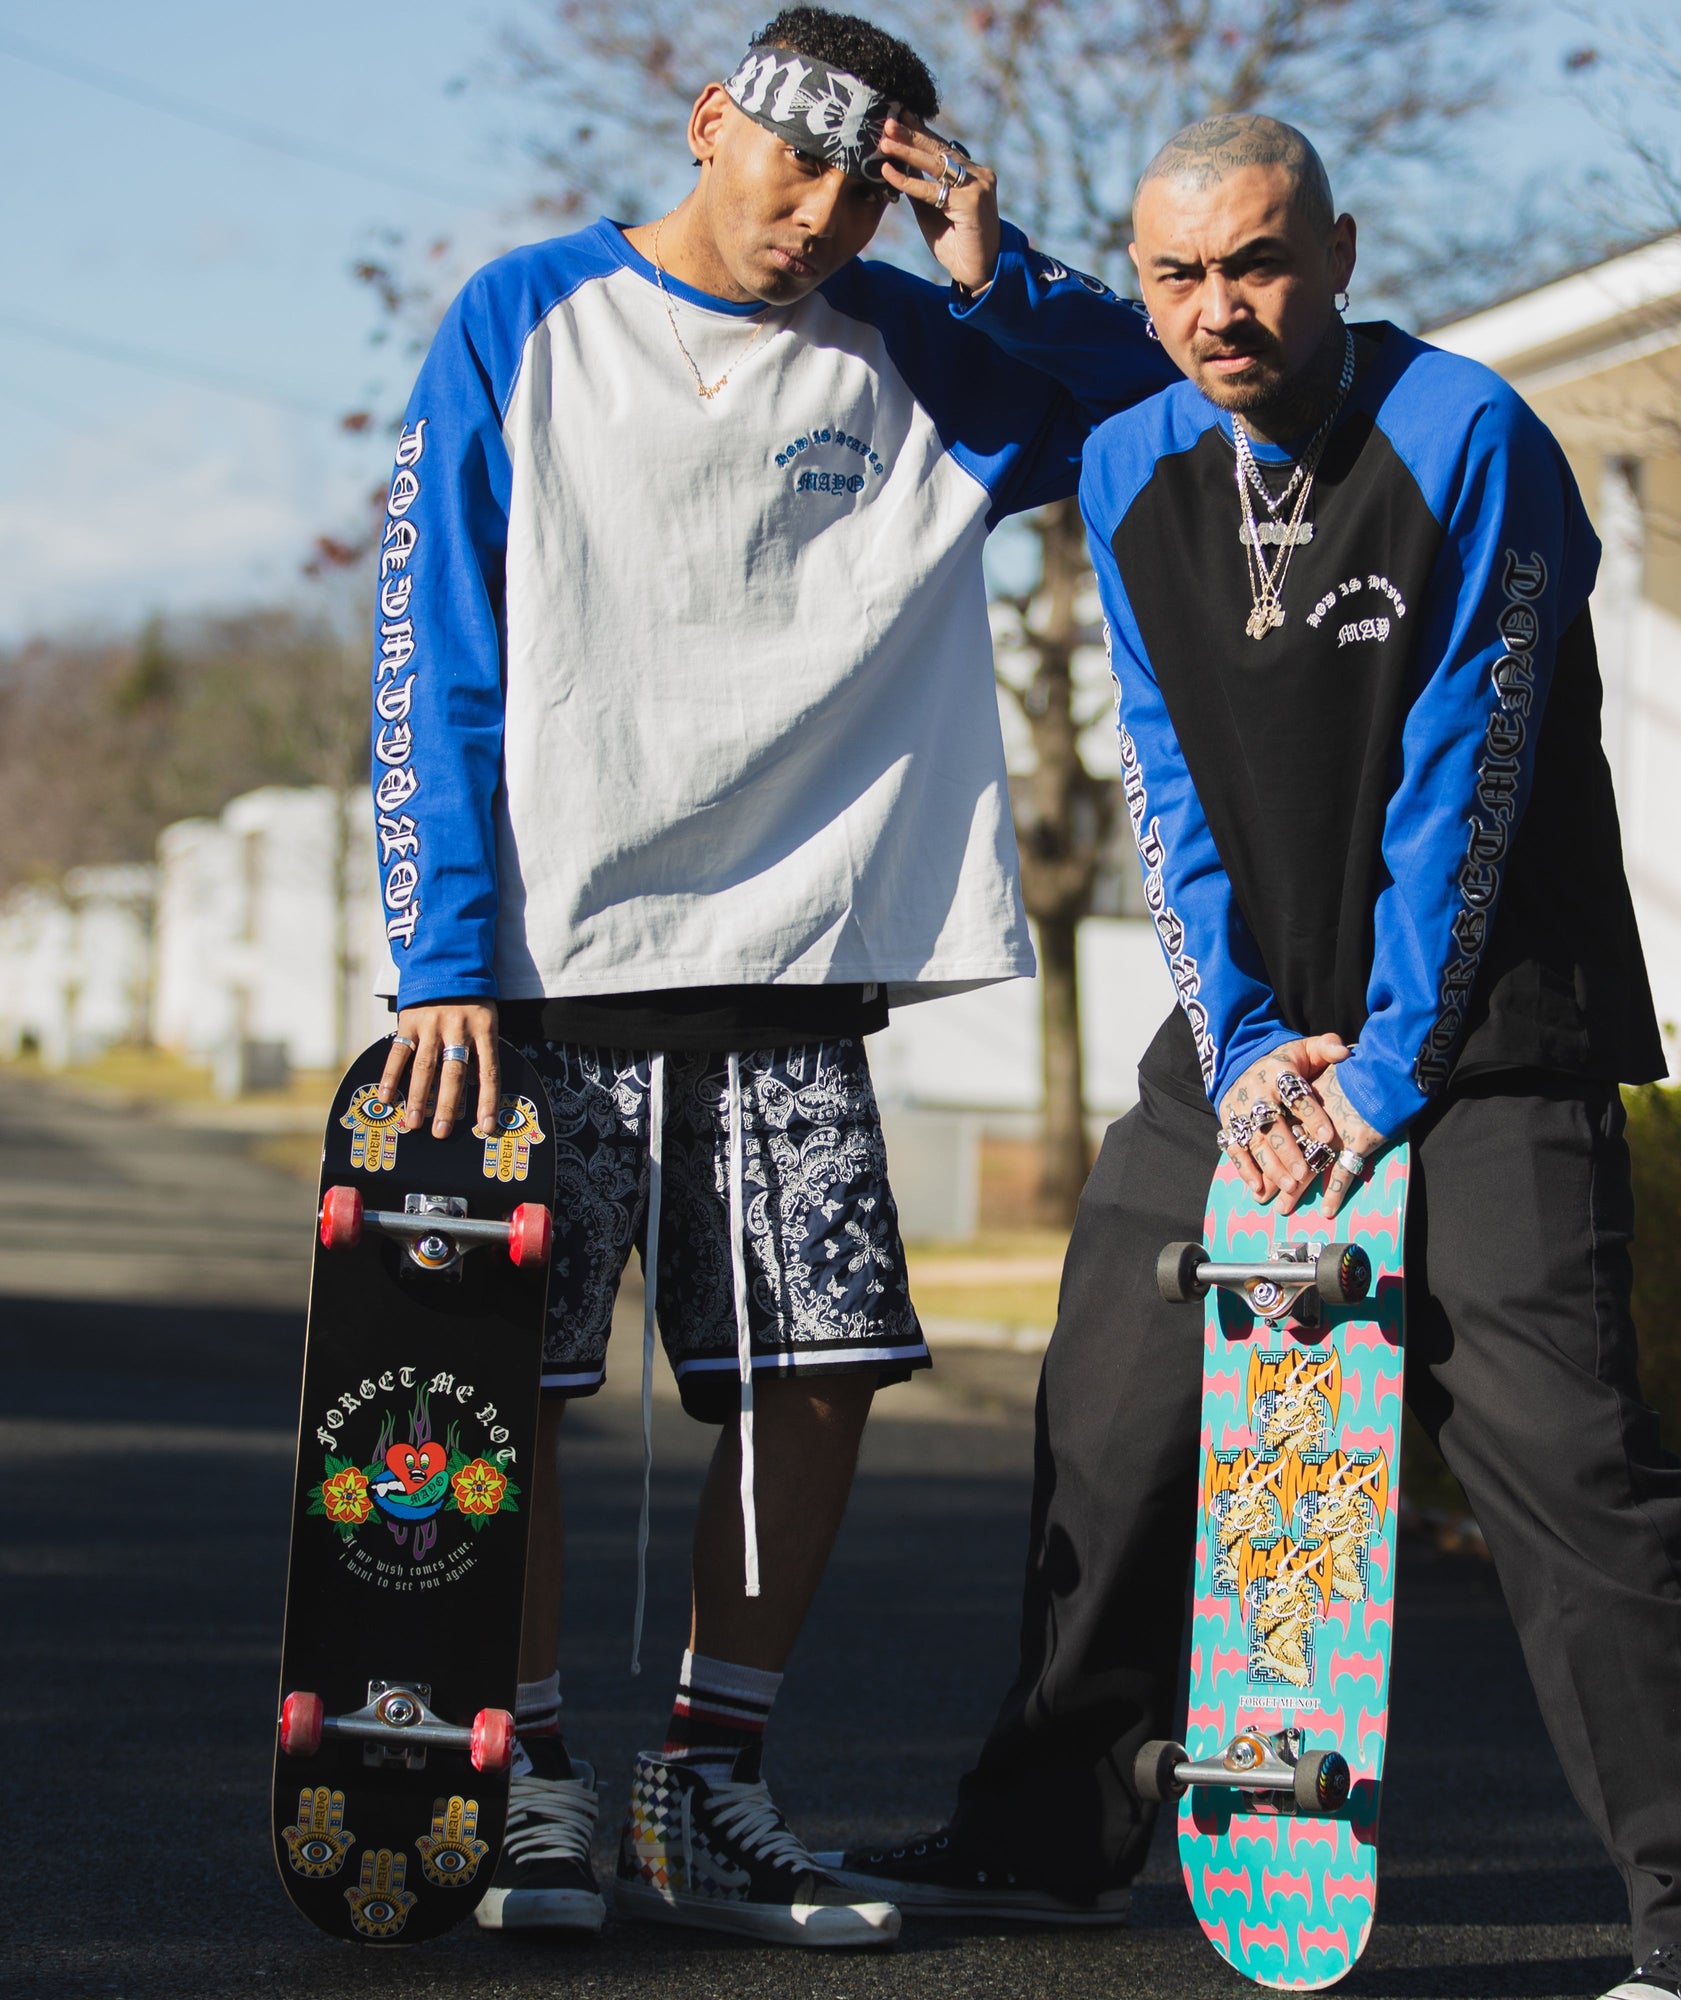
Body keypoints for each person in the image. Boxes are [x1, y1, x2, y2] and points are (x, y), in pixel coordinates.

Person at [821, 114, 1681, 2000]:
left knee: (1565, 1465)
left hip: (1491, 1028)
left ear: (1338, 253)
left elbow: (1473, 786)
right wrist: (1256, 1038)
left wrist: (1383, 1074)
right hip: (1252, 1035)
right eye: (1179, 277)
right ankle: (1048, 1834)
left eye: (1257, 265)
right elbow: (1166, 780)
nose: (1218, 311)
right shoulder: (1130, 464)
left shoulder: (1469, 442)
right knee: (1108, 1423)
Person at [367, 6, 1173, 1948]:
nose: (816, 215)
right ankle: (540, 1780)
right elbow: (433, 631)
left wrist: (993, 259)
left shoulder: (917, 350)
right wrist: (444, 949)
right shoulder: (526, 316)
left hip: (797, 953)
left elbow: (1142, 407)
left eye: (860, 186)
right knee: (516, 1387)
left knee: (813, 1380)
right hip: (543, 974)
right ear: (712, 119)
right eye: (789, 162)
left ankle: (707, 1788)